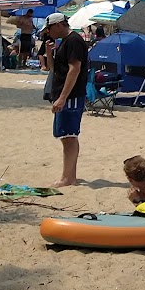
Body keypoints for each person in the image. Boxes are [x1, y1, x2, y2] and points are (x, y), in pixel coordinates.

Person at [41, 10, 89, 186]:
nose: (48, 32)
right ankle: (70, 176)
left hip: (72, 95)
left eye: (50, 28)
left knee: (69, 136)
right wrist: (49, 52)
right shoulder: (64, 42)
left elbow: (74, 69)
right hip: (64, 93)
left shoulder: (74, 41)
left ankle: (68, 177)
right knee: (65, 136)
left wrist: (62, 98)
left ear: (59, 25)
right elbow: (54, 70)